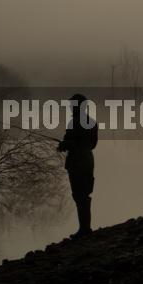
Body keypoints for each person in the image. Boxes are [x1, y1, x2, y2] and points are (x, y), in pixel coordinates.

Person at [58, 93, 98, 239]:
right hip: (88, 160)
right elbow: (93, 145)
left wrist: (63, 145)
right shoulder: (93, 122)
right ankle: (86, 228)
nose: (69, 108)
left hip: (76, 161)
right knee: (85, 194)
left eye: (71, 105)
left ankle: (84, 229)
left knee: (78, 195)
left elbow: (69, 143)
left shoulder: (73, 122)